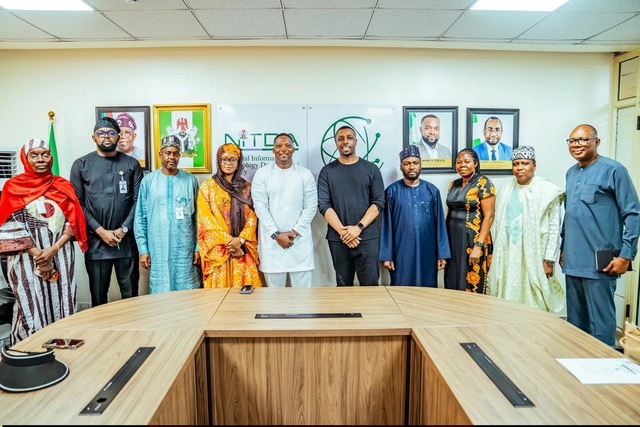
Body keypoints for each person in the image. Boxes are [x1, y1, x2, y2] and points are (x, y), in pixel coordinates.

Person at [0, 138, 88, 344]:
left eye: (45, 155)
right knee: (30, 302)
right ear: (25, 159)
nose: (41, 159)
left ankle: (63, 341)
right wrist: (40, 257)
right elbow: (10, 224)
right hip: (26, 257)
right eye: (34, 155)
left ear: (51, 158)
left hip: (61, 253)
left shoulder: (62, 185)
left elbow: (74, 220)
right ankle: (31, 347)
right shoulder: (13, 187)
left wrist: (53, 249)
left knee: (63, 298)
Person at [561, 124, 640, 346]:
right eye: (572, 141)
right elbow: (570, 213)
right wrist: (563, 249)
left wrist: (626, 255)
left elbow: (633, 214)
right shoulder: (571, 173)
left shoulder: (614, 170)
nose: (576, 145)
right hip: (573, 259)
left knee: (601, 325)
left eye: (583, 140)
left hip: (601, 262)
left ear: (597, 142)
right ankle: (578, 363)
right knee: (576, 324)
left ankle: (605, 365)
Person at [70, 116, 143, 307]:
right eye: (101, 133)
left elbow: (139, 202)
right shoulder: (81, 165)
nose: (106, 137)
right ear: (93, 137)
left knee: (131, 297)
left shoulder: (131, 164)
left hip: (126, 241)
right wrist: (101, 231)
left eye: (111, 133)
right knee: (99, 299)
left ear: (118, 136)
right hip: (96, 242)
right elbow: (78, 203)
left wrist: (123, 229)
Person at [487, 146, 565, 312]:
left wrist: (549, 260)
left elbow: (554, 227)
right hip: (507, 253)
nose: (519, 168)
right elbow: (497, 223)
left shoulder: (547, 190)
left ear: (534, 166)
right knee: (506, 293)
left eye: (525, 163)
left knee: (533, 297)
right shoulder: (506, 189)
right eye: (516, 164)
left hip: (534, 254)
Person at [317, 125, 385, 286]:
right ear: (336, 143)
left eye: (349, 137)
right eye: (340, 139)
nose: (345, 141)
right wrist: (344, 233)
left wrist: (358, 228)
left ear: (356, 141)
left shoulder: (371, 169)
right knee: (343, 287)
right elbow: (324, 205)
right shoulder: (327, 171)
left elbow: (378, 202)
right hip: (338, 239)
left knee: (370, 287)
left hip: (367, 237)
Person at [134, 135, 201, 293]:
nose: (172, 157)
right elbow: (140, 217)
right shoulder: (148, 181)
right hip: (158, 247)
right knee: (161, 289)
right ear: (160, 155)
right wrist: (143, 249)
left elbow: (198, 217)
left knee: (187, 289)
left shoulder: (190, 180)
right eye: (168, 153)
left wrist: (198, 247)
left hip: (185, 247)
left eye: (176, 153)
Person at [251, 133, 317, 287]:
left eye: (287, 145)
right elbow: (260, 207)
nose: (283, 149)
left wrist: (294, 232)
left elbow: (311, 206)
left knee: (303, 296)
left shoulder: (305, 174)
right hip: (272, 244)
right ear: (273, 150)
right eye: (279, 146)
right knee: (274, 297)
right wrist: (276, 234)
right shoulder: (262, 174)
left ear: (293, 149)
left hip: (299, 243)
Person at [379, 145, 450, 287]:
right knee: (401, 289)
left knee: (427, 289)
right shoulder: (392, 192)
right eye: (407, 163)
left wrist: (442, 253)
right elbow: (386, 225)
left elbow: (440, 225)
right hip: (401, 251)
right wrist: (387, 255)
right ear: (401, 166)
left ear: (421, 164)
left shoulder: (432, 190)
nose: (411, 167)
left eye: (415, 163)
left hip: (428, 250)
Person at [197, 143, 260, 288]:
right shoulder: (208, 187)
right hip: (219, 251)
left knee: (246, 293)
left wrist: (240, 240)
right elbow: (206, 219)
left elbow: (252, 217)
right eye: (224, 159)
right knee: (218, 296)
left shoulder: (246, 187)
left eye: (233, 159)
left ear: (238, 163)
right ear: (218, 161)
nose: (228, 163)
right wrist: (230, 242)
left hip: (243, 250)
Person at [444, 148, 496, 293]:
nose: (462, 165)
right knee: (453, 276)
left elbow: (489, 216)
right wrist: (444, 242)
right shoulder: (453, 184)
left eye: (467, 162)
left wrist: (478, 245)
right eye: (459, 162)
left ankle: (472, 308)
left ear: (476, 164)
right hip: (453, 239)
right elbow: (449, 212)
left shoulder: (483, 183)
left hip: (473, 239)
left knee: (471, 279)